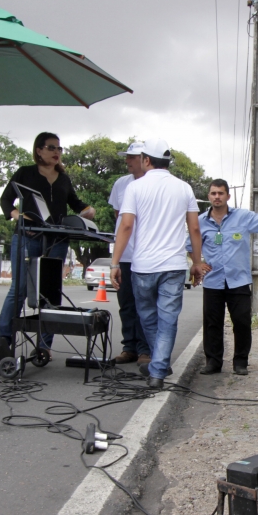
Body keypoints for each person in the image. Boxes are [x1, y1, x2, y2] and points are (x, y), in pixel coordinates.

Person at [109, 139, 209, 389]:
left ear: (146, 160)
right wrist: (196, 262)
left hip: (142, 266)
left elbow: (126, 225)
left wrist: (114, 262)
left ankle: (158, 368)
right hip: (174, 265)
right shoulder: (184, 187)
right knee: (168, 318)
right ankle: (160, 365)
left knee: (148, 317)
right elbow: (194, 228)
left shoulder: (135, 187)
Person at [190, 179, 258, 376]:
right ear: (208, 196)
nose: (217, 197)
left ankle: (240, 362)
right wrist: (196, 263)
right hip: (213, 281)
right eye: (213, 193)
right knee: (212, 323)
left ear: (227, 196)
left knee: (241, 322)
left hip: (238, 281)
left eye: (220, 193)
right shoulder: (199, 222)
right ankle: (213, 362)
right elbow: (190, 246)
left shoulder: (241, 217)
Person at [0, 132, 95, 354]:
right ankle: (4, 340)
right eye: (52, 148)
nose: (56, 153)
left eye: (59, 149)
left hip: (57, 240)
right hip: (27, 237)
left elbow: (76, 203)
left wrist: (88, 210)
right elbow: (5, 200)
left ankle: (44, 346)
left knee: (49, 291)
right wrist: (18, 216)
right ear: (39, 150)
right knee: (20, 288)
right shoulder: (25, 173)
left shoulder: (63, 178)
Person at [107, 141, 149, 366]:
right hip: (124, 255)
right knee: (126, 304)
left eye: (132, 157)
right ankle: (129, 347)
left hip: (145, 256)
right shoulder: (120, 184)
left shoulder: (153, 184)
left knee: (145, 304)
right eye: (127, 157)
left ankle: (145, 349)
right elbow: (119, 217)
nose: (127, 161)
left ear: (145, 159)